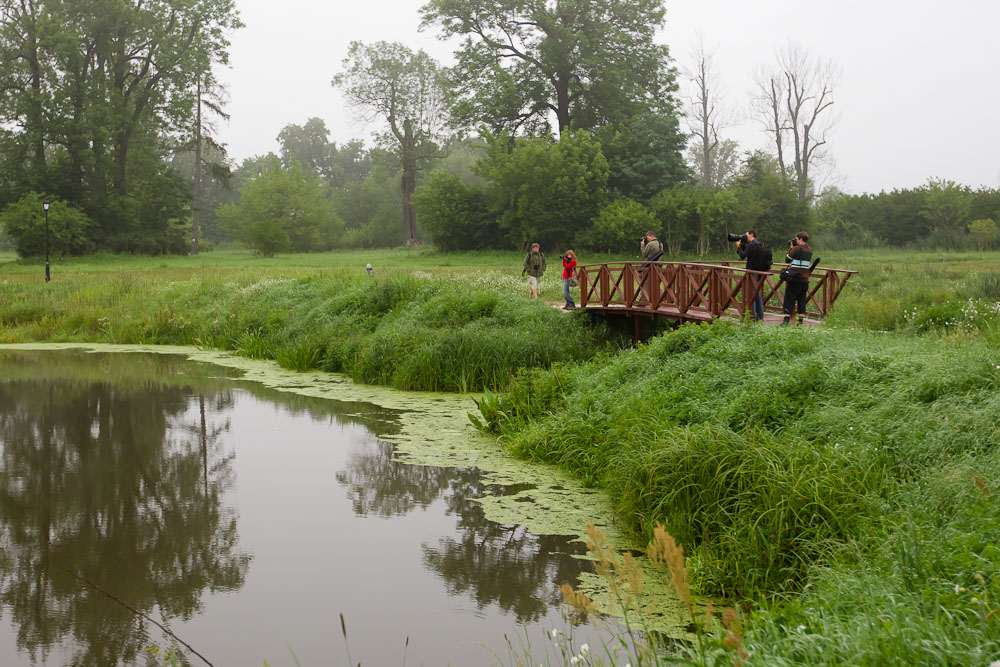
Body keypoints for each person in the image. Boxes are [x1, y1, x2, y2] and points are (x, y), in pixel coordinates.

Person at [782, 231, 813, 325]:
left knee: (789, 298)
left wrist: (791, 248)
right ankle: (800, 321)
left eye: (796, 239)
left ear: (800, 239)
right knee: (802, 300)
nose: (795, 241)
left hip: (795, 278)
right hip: (805, 279)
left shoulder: (796, 249)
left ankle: (786, 320)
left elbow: (787, 259)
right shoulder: (810, 250)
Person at [736, 230, 765, 322]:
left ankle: (753, 316)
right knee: (756, 294)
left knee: (752, 293)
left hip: (752, 272)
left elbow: (742, 256)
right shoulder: (758, 244)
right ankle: (760, 316)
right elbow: (747, 253)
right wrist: (742, 245)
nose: (745, 236)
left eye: (746, 234)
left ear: (751, 234)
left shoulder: (752, 245)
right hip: (757, 270)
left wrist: (738, 246)